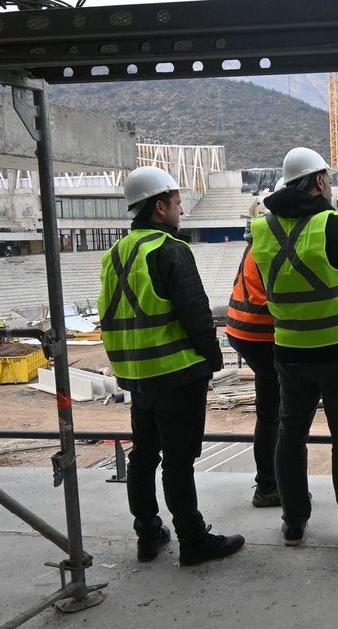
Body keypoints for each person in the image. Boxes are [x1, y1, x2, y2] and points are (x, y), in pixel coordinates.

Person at [99, 166, 245, 566]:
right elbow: (196, 314)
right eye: (178, 204)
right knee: (179, 461)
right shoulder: (170, 249)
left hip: (137, 377)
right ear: (160, 207)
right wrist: (213, 361)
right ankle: (193, 540)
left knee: (144, 456)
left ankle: (148, 535)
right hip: (177, 374)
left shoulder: (116, 254)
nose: (181, 212)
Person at [252, 147, 338, 547]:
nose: (330, 185)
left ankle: (294, 521)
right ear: (317, 182)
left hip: (289, 351)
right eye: (327, 178)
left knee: (290, 434)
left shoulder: (261, 229)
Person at [226, 219, 282, 508]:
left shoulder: (257, 237)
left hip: (243, 330)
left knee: (270, 414)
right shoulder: (278, 237)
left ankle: (270, 483)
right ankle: (270, 486)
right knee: (278, 417)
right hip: (264, 333)